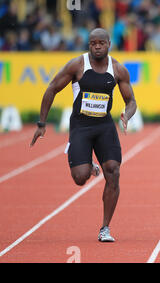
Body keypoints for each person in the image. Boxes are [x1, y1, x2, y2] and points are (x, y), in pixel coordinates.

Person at [30, 28, 137, 242]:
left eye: (101, 43)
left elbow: (131, 101)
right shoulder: (77, 65)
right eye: (92, 43)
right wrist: (42, 123)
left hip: (105, 126)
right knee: (80, 178)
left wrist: (127, 115)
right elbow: (52, 88)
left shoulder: (118, 69)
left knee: (113, 171)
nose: (96, 46)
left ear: (109, 44)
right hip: (81, 126)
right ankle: (90, 166)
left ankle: (105, 228)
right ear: (89, 45)